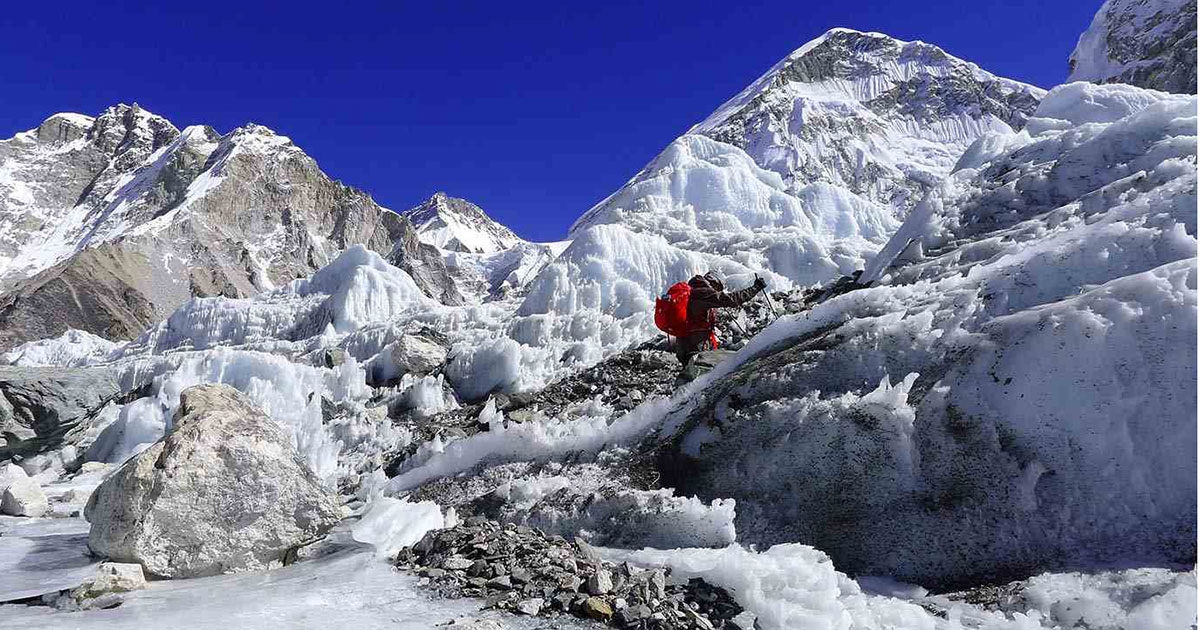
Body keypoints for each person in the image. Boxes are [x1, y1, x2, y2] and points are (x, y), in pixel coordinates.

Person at [673, 271, 766, 367]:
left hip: (685, 345)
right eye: (719, 289)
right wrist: (755, 288)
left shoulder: (693, 291)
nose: (718, 292)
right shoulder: (702, 293)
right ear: (715, 283)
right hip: (694, 347)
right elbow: (732, 299)